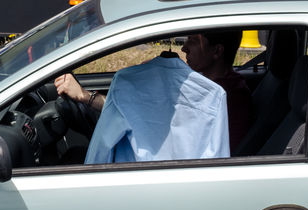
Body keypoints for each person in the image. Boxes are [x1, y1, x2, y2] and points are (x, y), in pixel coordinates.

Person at [54, 30, 254, 158]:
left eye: (193, 40)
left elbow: (141, 115)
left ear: (217, 51)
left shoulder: (223, 97)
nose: (184, 47)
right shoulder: (209, 86)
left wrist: (85, 96)